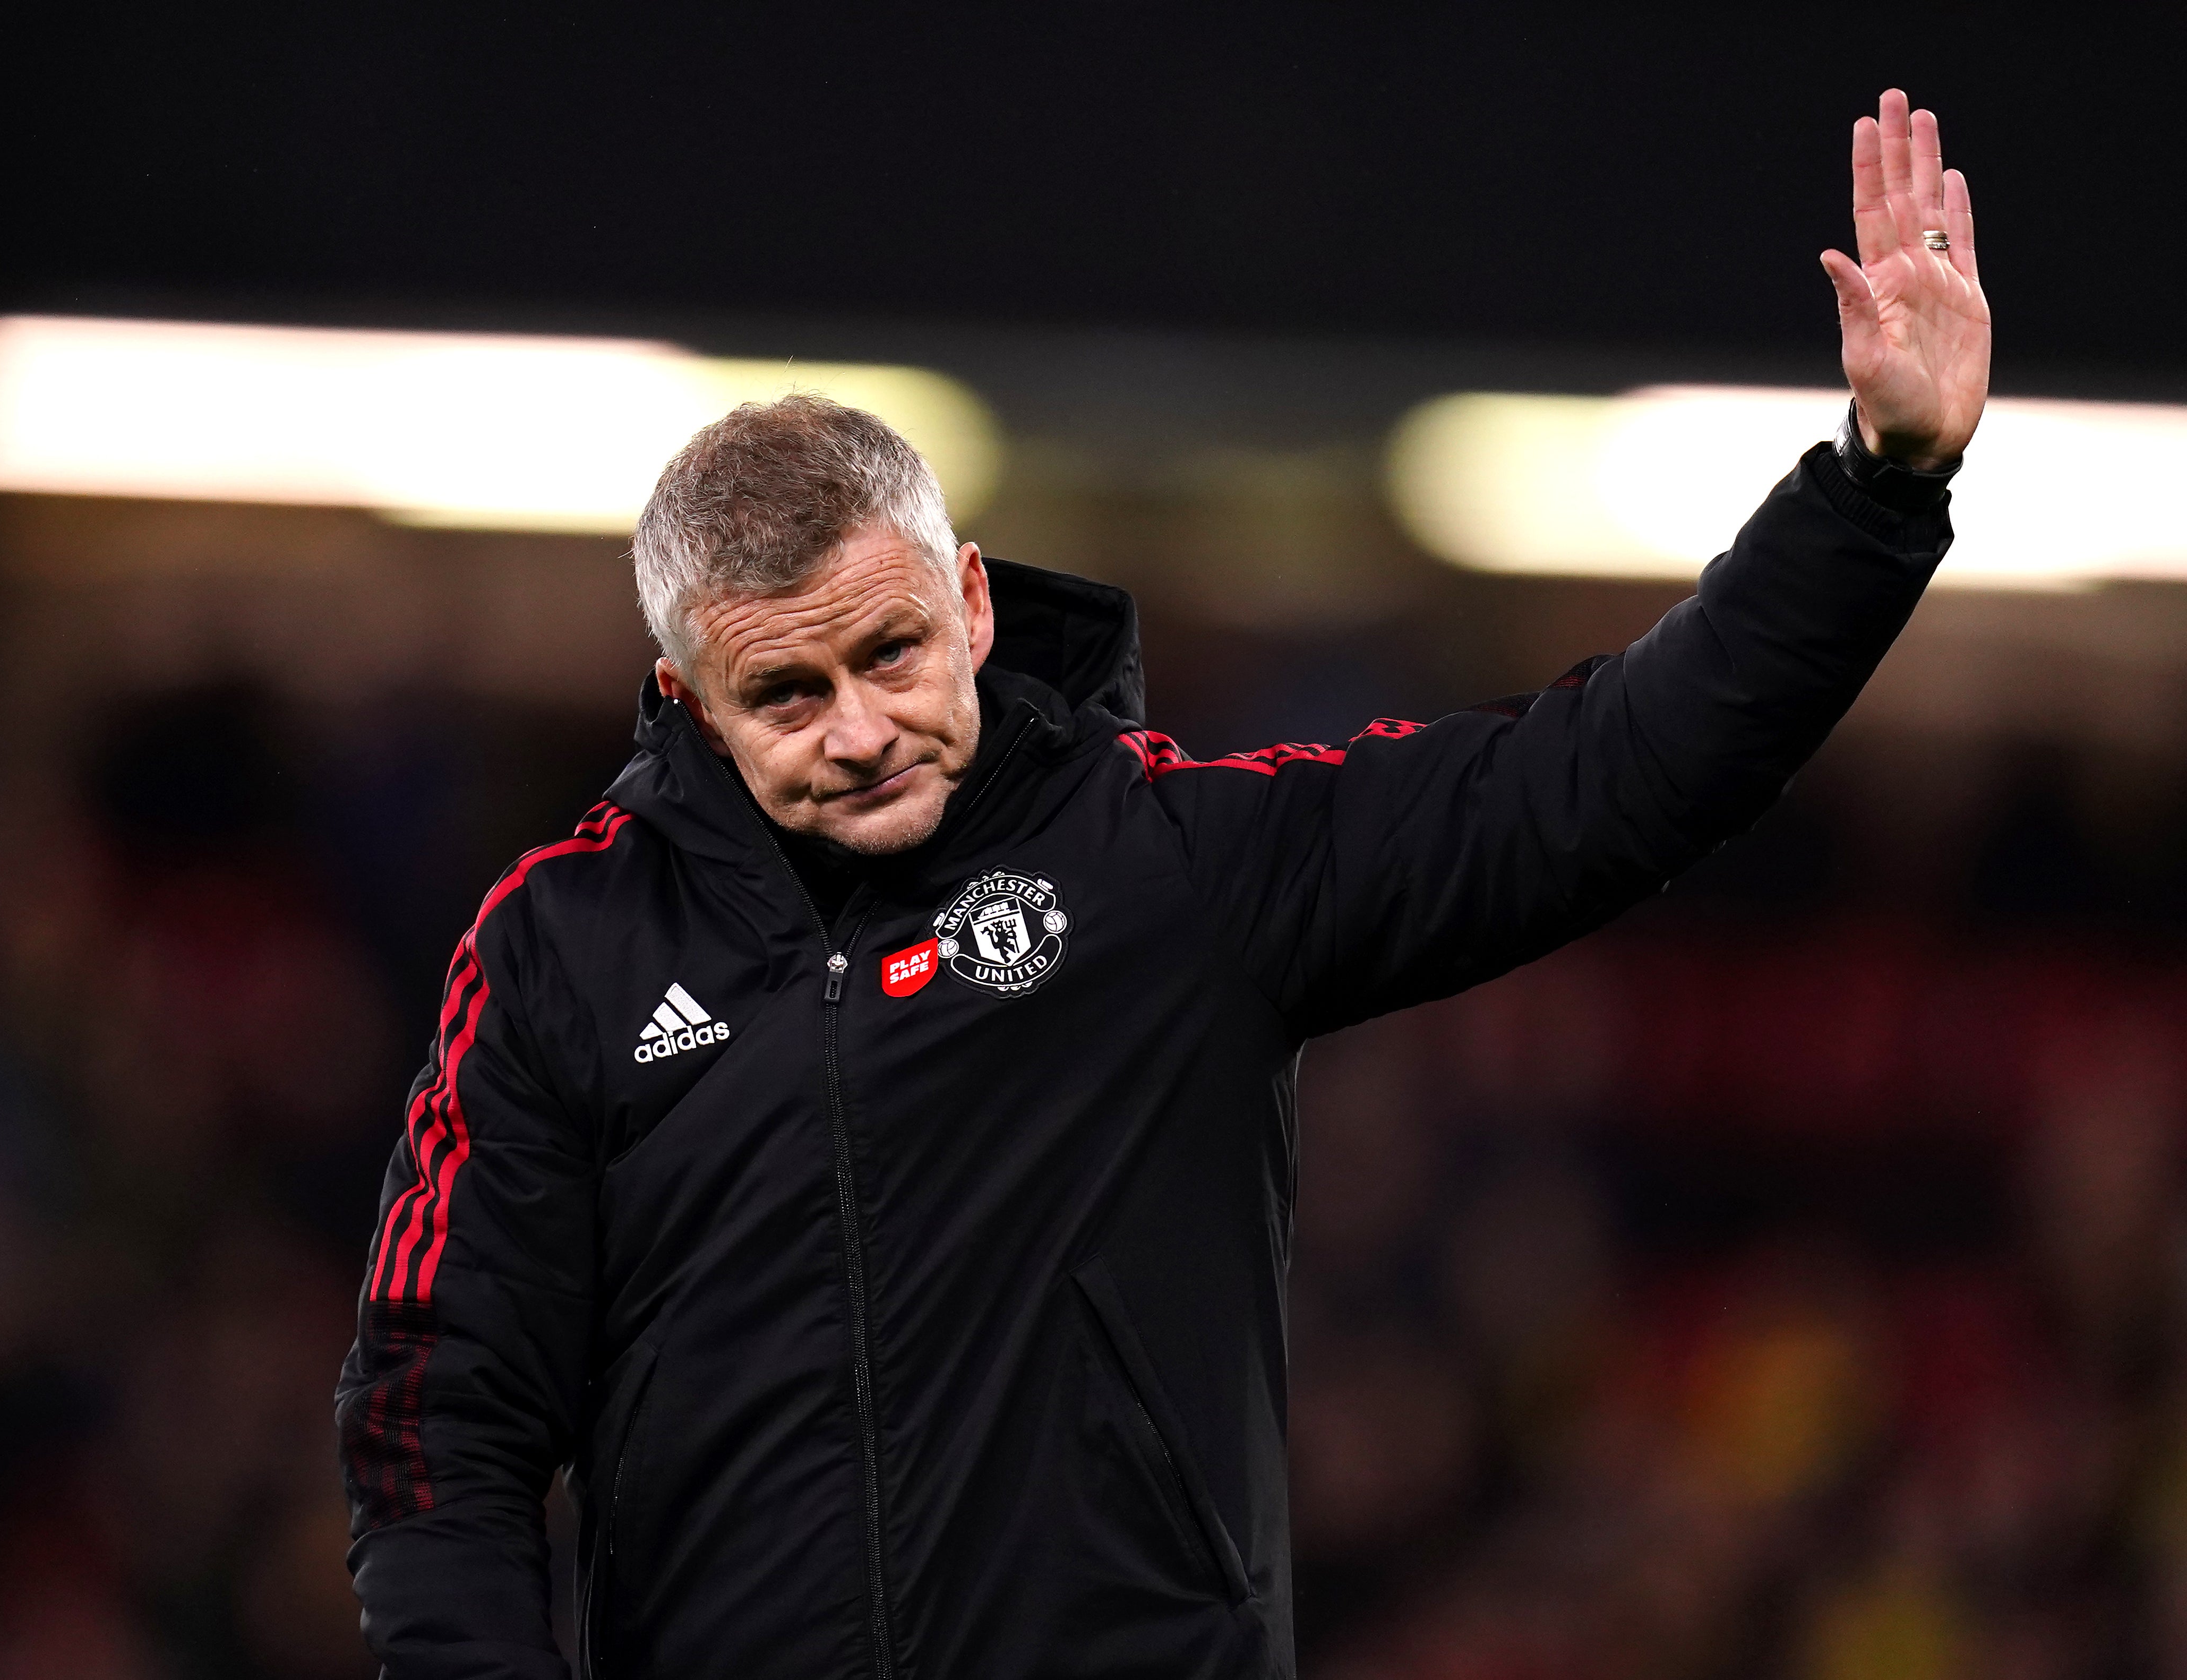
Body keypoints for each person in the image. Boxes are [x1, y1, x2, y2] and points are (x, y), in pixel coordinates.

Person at [337, 88, 1988, 1679]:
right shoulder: (562, 949)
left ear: (973, 604)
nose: (859, 731)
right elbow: (438, 1417)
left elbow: (1601, 777)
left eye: (894, 652)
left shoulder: (1170, 869)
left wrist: (1877, 488)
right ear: (690, 700)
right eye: (786, 694)